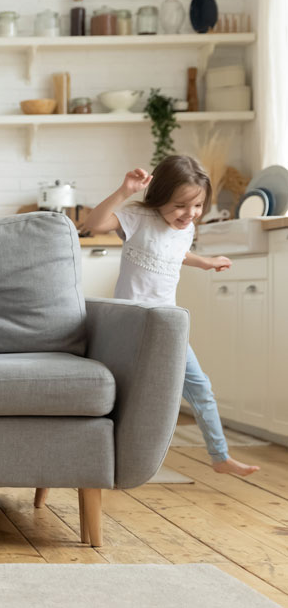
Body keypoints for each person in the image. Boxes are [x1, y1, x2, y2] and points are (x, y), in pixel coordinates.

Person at [83, 155, 259, 477]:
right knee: (124, 394)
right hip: (131, 325)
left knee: (201, 389)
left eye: (197, 206)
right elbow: (94, 225)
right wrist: (125, 190)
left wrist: (203, 261)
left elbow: (173, 252)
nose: (189, 215)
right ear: (160, 196)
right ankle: (105, 456)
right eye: (180, 206)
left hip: (168, 326)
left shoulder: (186, 228)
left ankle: (219, 456)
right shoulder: (137, 217)